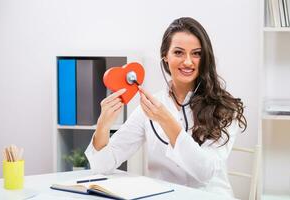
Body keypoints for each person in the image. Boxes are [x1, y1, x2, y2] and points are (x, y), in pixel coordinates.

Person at [85, 17, 247, 197]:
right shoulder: (150, 106)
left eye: (196, 53)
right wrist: (103, 125)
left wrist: (166, 120)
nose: (188, 62)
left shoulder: (224, 108)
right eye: (178, 52)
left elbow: (205, 172)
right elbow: (101, 167)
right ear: (165, 56)